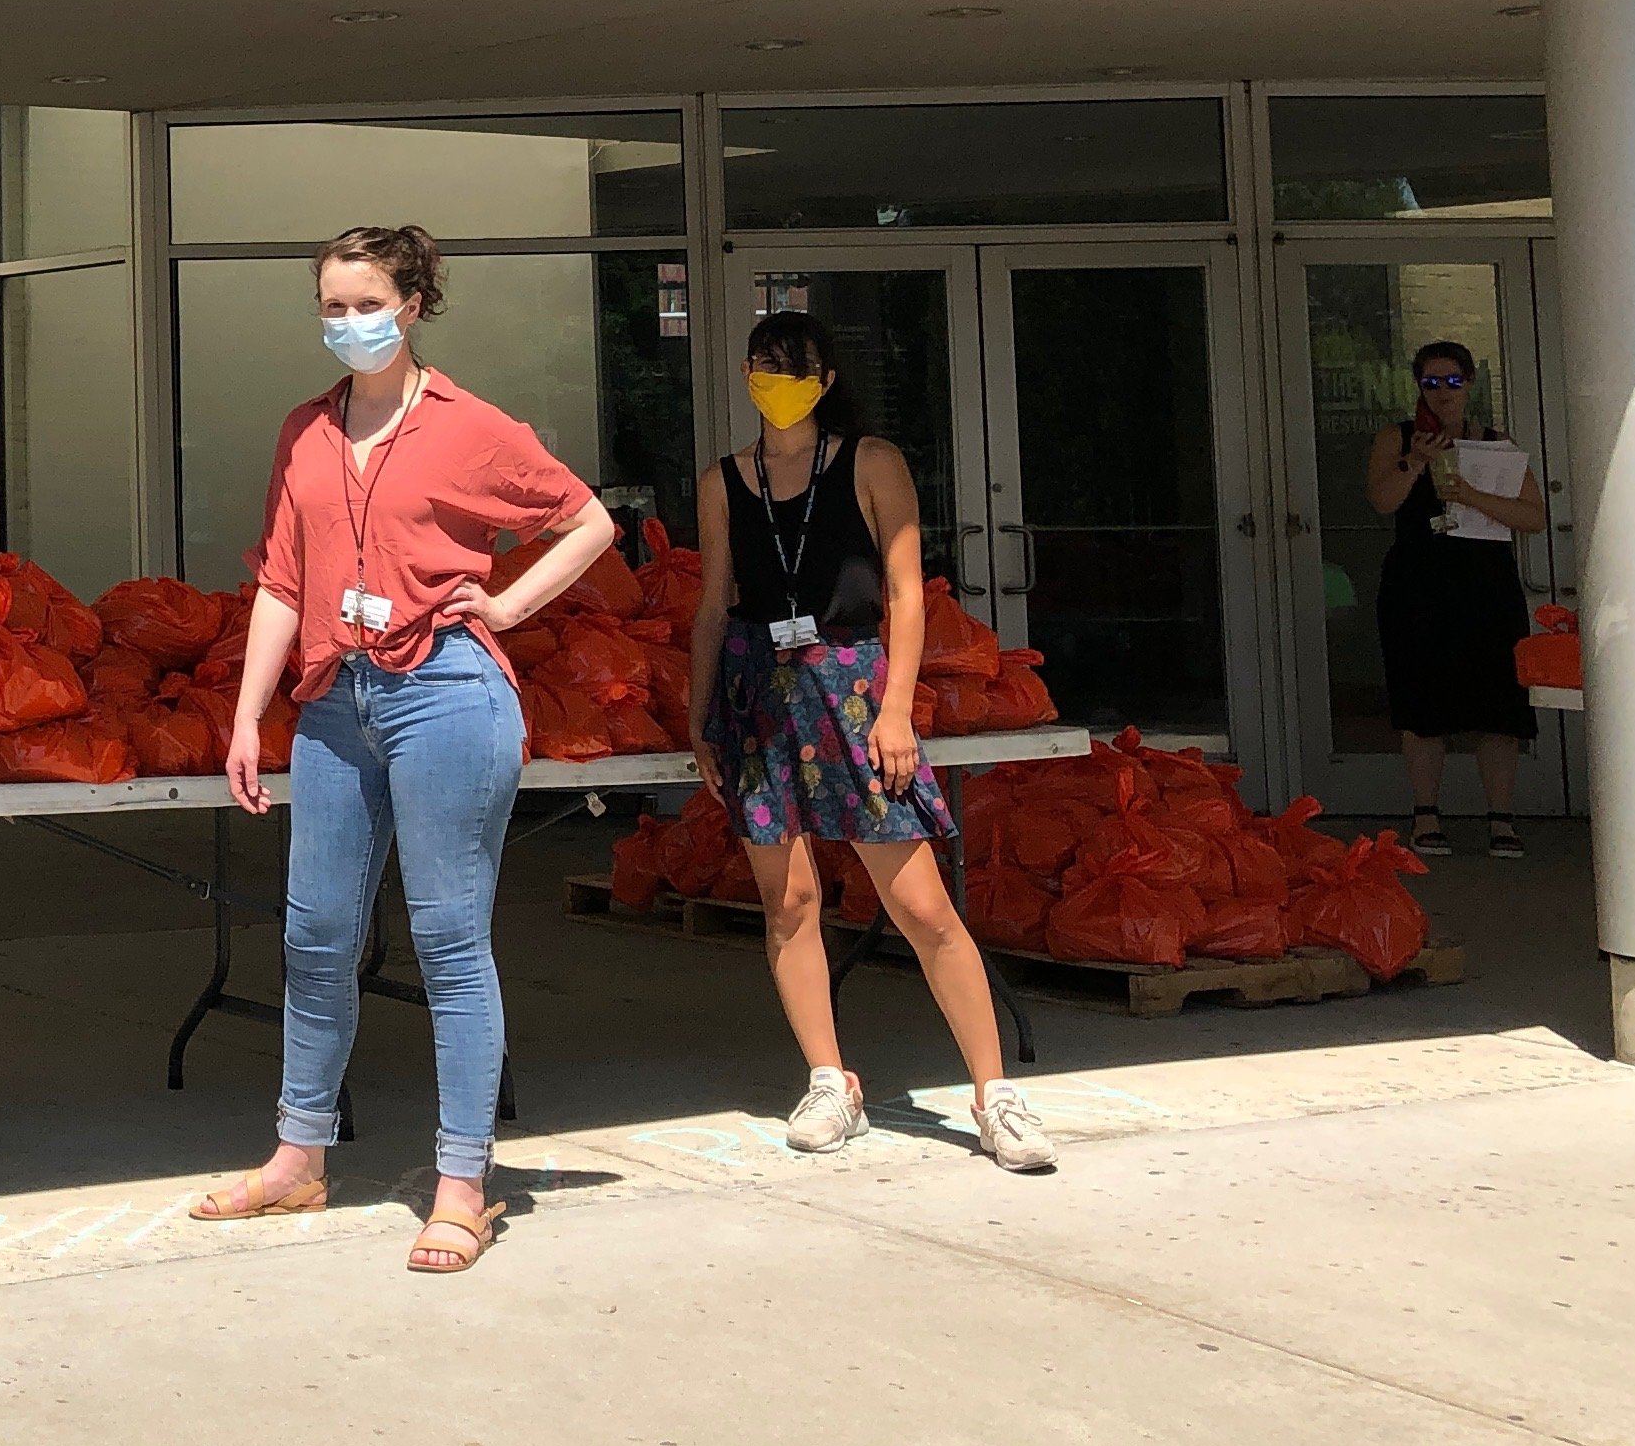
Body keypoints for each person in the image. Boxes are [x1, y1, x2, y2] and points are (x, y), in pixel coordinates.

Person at [193, 225, 621, 1273]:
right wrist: (250, 713)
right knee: (315, 935)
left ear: (414, 303)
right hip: (337, 700)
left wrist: (510, 603)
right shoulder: (305, 429)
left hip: (446, 695)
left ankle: (465, 1183)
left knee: (448, 940)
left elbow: (589, 521)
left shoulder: (471, 426)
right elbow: (283, 581)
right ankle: (300, 1157)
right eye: (332, 306)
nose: (348, 323)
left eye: (366, 302)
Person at [687, 312, 1053, 1172]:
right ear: (744, 375)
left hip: (851, 684)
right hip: (758, 690)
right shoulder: (723, 481)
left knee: (921, 904)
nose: (777, 379)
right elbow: (711, 601)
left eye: (794, 365)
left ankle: (995, 1094)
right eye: (763, 366)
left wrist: (896, 708)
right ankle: (828, 1078)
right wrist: (698, 716)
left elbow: (906, 592)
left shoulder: (869, 461)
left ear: (823, 374)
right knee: (789, 902)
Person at [1366, 339, 1547, 859]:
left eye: (1451, 381)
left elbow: (1532, 517)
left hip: (1485, 585)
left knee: (1498, 705)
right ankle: (1426, 816)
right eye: (1430, 382)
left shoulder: (1496, 443)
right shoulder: (1397, 438)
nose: (1441, 392)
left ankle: (1501, 820)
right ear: (1417, 386)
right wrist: (1415, 463)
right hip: (1418, 583)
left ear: (1469, 384)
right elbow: (1381, 501)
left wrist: (1471, 496)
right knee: (1422, 702)